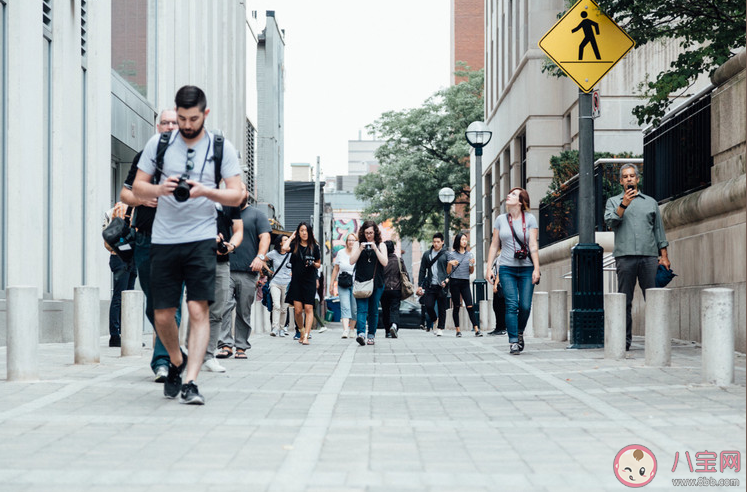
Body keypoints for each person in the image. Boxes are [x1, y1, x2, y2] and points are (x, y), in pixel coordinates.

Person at [132, 85, 244, 404]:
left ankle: (191, 381)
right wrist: (159, 189)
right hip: (164, 239)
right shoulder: (160, 143)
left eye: (193, 118)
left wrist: (206, 191)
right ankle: (177, 361)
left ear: (204, 114)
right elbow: (137, 186)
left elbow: (237, 194)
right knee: (163, 314)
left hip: (201, 238)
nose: (186, 125)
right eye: (181, 118)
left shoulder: (221, 146)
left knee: (198, 309)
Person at [121, 109, 180, 382]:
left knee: (171, 303)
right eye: (165, 122)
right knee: (153, 303)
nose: (169, 126)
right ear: (158, 127)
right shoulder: (144, 158)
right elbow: (124, 193)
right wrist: (141, 199)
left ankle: (163, 361)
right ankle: (170, 350)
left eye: (174, 123)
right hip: (145, 237)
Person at [604, 163, 670, 351]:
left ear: (638, 179)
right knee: (625, 300)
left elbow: (659, 230)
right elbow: (610, 222)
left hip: (649, 256)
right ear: (620, 181)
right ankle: (624, 340)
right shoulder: (613, 201)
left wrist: (663, 256)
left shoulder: (650, 202)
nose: (629, 179)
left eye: (632, 176)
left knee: (653, 298)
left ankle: (658, 339)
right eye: (625, 177)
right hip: (624, 257)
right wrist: (624, 204)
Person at [216, 185, 272, 359]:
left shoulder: (257, 215)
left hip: (248, 271)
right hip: (225, 268)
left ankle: (241, 346)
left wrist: (260, 257)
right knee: (223, 307)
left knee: (243, 310)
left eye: (241, 190)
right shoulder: (223, 213)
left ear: (247, 193)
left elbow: (265, 237)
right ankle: (225, 344)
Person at [486, 187, 541, 355]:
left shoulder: (530, 219)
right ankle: (513, 341)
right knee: (511, 305)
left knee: (524, 306)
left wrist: (537, 269)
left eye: (514, 194)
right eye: (509, 193)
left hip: (526, 268)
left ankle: (519, 332)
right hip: (507, 268)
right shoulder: (500, 220)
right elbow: (495, 244)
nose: (509, 195)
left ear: (521, 201)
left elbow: (533, 245)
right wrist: (489, 268)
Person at [199, 197, 242, 372]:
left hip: (221, 262)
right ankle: (192, 353)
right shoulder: (193, 196)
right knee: (197, 309)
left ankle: (209, 356)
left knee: (217, 311)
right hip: (197, 260)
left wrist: (230, 245)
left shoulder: (230, 202)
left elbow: (238, 230)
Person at [103, 202, 138, 348]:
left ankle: (125, 335)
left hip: (129, 257)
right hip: (121, 257)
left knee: (128, 298)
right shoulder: (122, 207)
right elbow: (119, 234)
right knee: (120, 296)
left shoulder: (136, 207)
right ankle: (115, 336)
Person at [349, 221, 388, 346]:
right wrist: (360, 249)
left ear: (375, 233)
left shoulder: (381, 245)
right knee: (361, 309)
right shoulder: (357, 244)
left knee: (373, 310)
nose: (368, 236)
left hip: (377, 283)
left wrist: (375, 249)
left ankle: (371, 335)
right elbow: (351, 261)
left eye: (371, 233)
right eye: (366, 233)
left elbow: (385, 262)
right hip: (361, 282)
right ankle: (361, 334)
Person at [282, 222, 321, 345]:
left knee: (308, 308)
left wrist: (313, 263)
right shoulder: (294, 245)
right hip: (296, 281)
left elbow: (319, 263)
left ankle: (306, 336)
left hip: (309, 280)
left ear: (309, 232)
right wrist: (291, 237)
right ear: (298, 232)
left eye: (306, 230)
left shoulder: (314, 247)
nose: (304, 233)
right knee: (298, 311)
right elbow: (284, 248)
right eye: (301, 230)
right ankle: (301, 331)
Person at [447, 233, 481, 337]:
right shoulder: (451, 255)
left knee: (470, 306)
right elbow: (448, 272)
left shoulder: (470, 254)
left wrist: (472, 264)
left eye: (466, 239)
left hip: (465, 282)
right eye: (462, 239)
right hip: (454, 282)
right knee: (456, 306)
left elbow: (470, 271)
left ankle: (476, 329)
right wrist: (450, 263)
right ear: (458, 241)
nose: (464, 241)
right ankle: (458, 330)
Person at [417, 232, 449, 336]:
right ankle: (435, 320)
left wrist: (447, 280)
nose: (436, 244)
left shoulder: (447, 254)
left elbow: (450, 271)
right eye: (434, 242)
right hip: (430, 284)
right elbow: (422, 270)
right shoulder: (427, 254)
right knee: (428, 305)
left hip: (442, 285)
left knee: (442, 307)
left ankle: (440, 328)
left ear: (442, 242)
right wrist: (420, 285)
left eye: (438, 242)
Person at [330, 233, 358, 338]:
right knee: (345, 306)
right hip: (343, 283)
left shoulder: (358, 253)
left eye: (353, 240)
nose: (351, 242)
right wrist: (331, 284)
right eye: (349, 240)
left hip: (356, 284)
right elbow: (336, 268)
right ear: (346, 242)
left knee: (354, 308)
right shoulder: (341, 253)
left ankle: (352, 329)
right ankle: (345, 330)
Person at [267, 235, 292, 337]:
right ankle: (275, 328)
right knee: (276, 305)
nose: (288, 241)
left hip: (287, 283)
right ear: (281, 243)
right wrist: (269, 270)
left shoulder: (291, 254)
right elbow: (262, 258)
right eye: (285, 240)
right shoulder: (273, 253)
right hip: (275, 283)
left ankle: (282, 328)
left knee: (284, 308)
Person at [380, 240, 406, 339]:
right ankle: (394, 325)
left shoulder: (382, 261)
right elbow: (405, 274)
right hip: (396, 289)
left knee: (385, 310)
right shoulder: (399, 260)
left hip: (384, 290)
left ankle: (387, 331)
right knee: (395, 309)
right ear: (393, 249)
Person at [487, 257, 507, 336]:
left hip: (502, 283)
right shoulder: (498, 257)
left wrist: (496, 284)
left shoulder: (504, 255)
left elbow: (501, 270)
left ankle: (502, 328)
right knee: (496, 306)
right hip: (498, 283)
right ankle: (498, 327)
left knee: (501, 306)